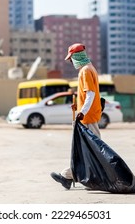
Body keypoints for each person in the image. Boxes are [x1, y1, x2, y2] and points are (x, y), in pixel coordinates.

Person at [50, 43, 102, 190]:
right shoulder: (90, 68)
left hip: (88, 117)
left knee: (91, 150)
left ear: (77, 56)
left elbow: (90, 94)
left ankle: (69, 176)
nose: (71, 62)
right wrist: (78, 107)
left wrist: (82, 112)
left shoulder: (85, 71)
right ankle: (70, 176)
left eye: (71, 58)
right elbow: (87, 95)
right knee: (88, 149)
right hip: (89, 115)